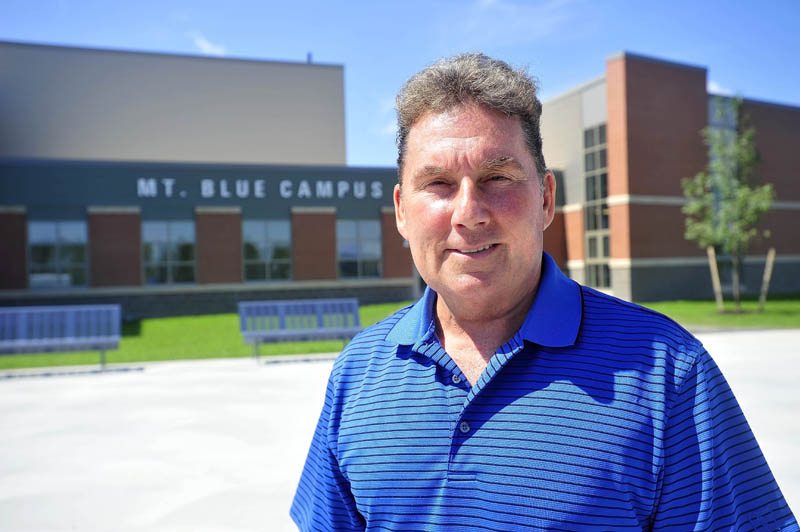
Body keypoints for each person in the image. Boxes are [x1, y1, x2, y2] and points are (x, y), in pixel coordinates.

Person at [290, 53, 797, 531]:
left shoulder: (668, 373)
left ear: (546, 199)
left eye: (497, 177)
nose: (468, 211)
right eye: (439, 183)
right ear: (402, 210)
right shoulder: (359, 372)